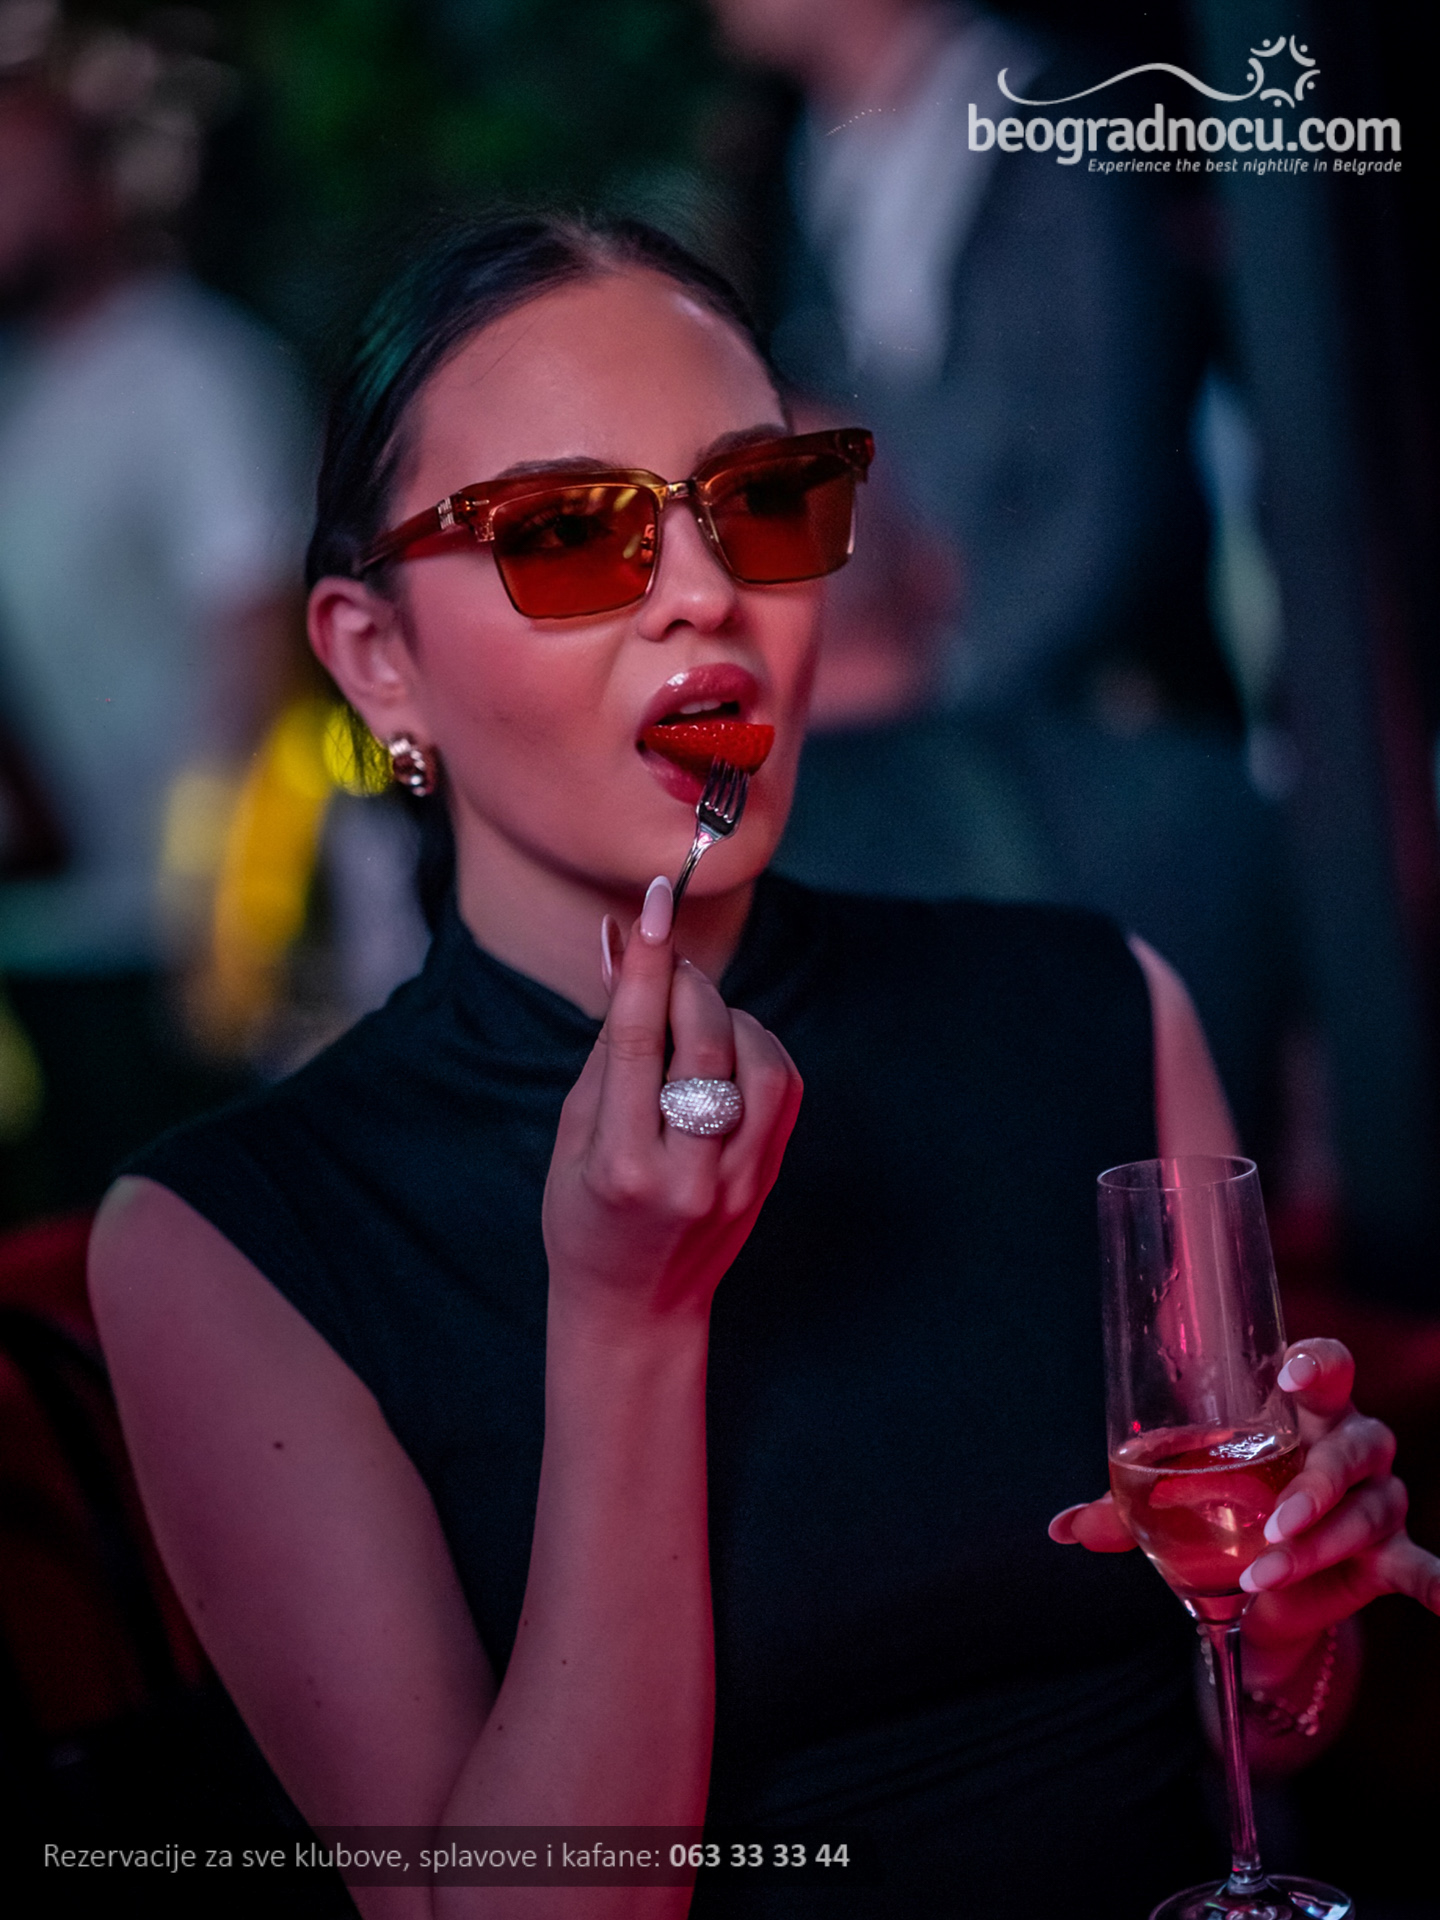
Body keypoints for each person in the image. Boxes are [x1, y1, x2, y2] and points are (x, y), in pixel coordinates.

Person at [88, 215, 1438, 1920]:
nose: (707, 592)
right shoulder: (227, 1243)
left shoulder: (1096, 1007)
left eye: (760, 504)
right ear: (377, 659)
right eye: (567, 532)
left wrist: (1293, 1627)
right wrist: (628, 1322)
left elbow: (1259, 1726)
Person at [0, 76, 312, 1214]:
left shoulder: (191, 369)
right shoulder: (17, 387)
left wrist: (223, 897)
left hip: (173, 933)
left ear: (91, 192)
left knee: (197, 1219)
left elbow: (256, 636)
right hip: (39, 917)